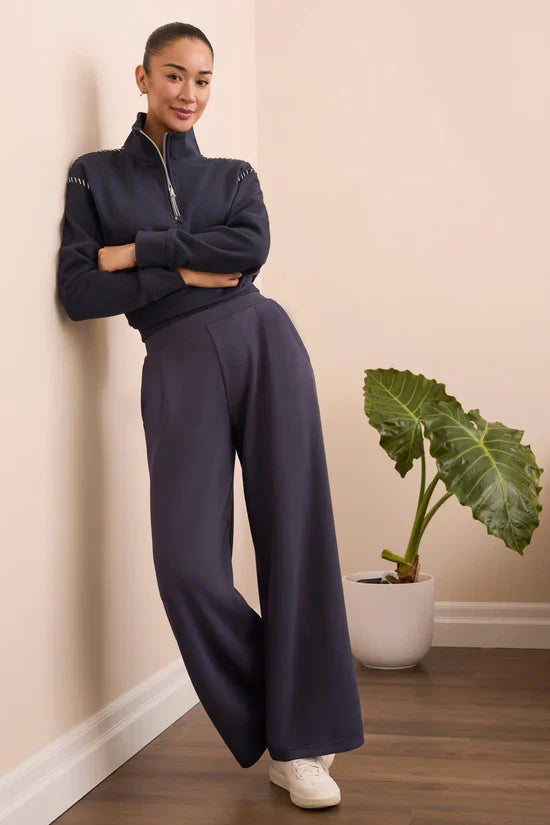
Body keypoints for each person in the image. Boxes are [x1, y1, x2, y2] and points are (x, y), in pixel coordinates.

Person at [57, 22, 364, 810]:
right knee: (188, 567)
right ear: (141, 76)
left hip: (264, 342)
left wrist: (136, 253)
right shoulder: (94, 178)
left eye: (201, 80)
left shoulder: (233, 175)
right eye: (172, 76)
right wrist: (183, 260)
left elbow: (249, 249)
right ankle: (287, 709)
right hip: (177, 362)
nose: (187, 94)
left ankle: (300, 750)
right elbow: (81, 290)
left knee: (295, 534)